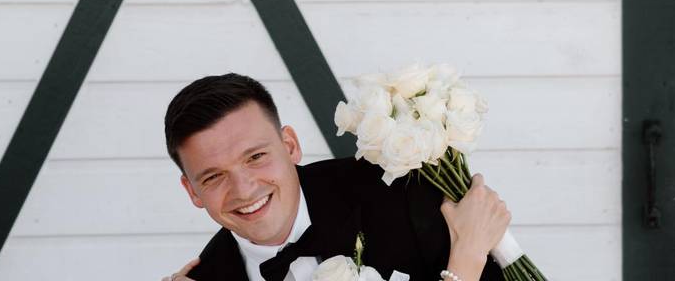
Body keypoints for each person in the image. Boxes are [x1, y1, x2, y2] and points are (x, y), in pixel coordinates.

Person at [161, 74, 508, 281]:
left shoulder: (399, 191)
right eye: (213, 177)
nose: (244, 188)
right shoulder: (205, 277)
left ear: (290, 145)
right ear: (191, 191)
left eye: (255, 157)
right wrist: (465, 262)